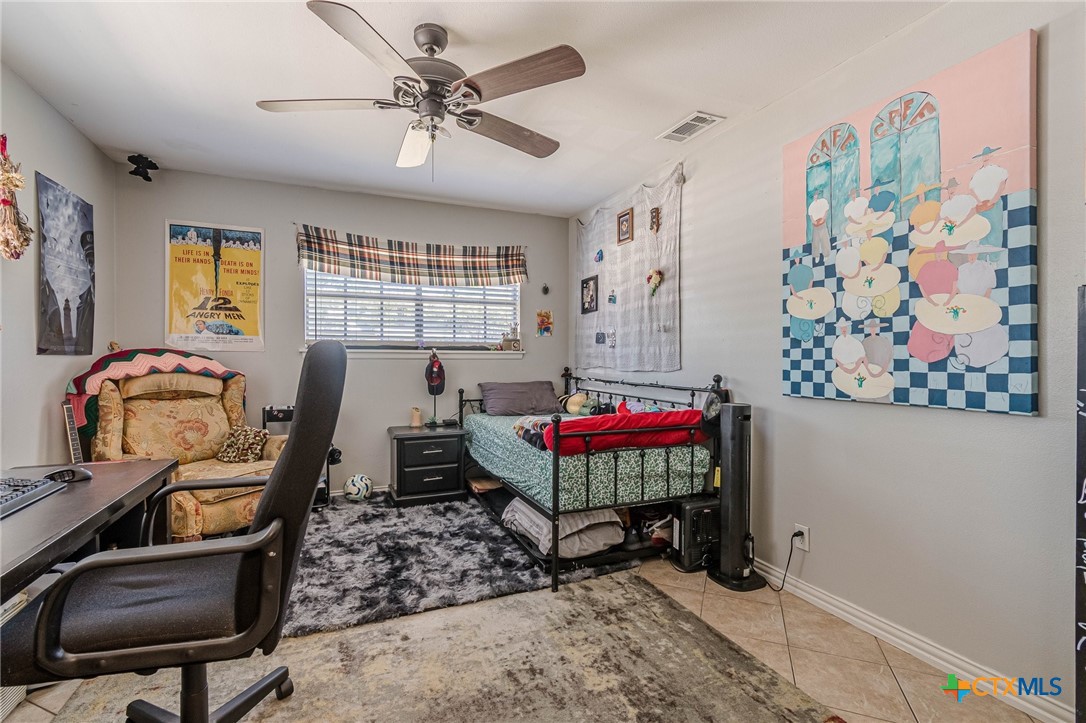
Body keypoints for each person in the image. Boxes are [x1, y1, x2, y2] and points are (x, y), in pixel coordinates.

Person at [807, 191, 831, 262]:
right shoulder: (811, 205)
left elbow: (826, 211)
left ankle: (826, 255)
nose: (815, 196)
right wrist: (813, 221)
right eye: (814, 195)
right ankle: (816, 256)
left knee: (824, 239)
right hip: (815, 225)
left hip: (822, 223)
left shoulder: (823, 202)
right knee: (815, 241)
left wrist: (823, 218)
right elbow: (811, 215)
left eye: (816, 195)